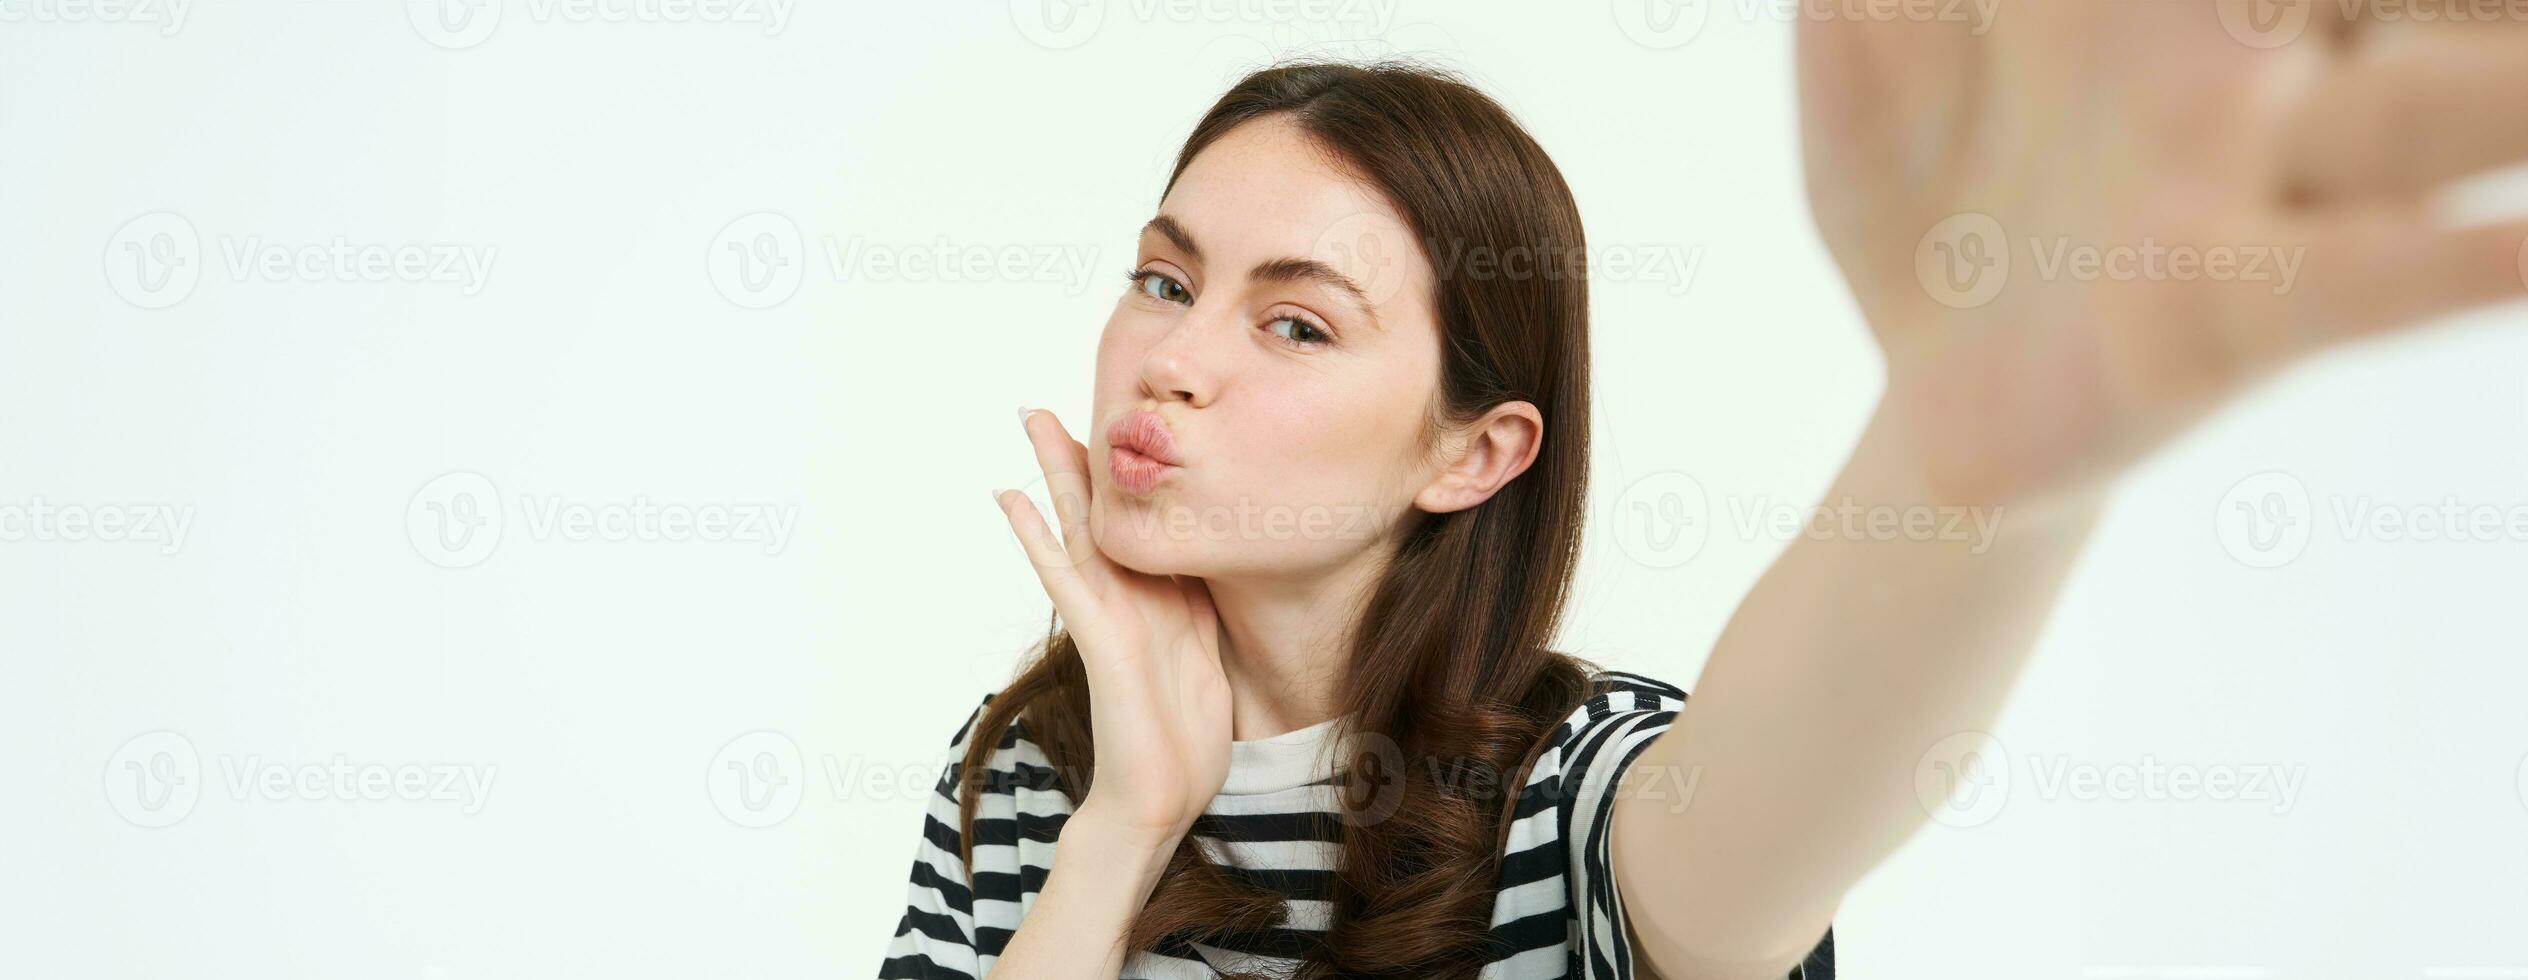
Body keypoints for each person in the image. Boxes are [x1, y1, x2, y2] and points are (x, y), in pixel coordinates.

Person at [885, 8, 2528, 979]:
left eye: (1297, 320)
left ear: (1476, 452)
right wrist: (1119, 832)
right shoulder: (1029, 782)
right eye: (1165, 282)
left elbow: (1764, 815)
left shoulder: (1576, 791)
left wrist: (1962, 468)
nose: (1171, 363)